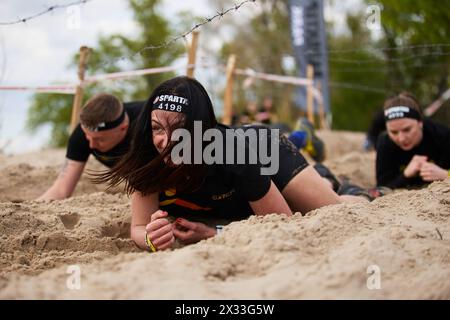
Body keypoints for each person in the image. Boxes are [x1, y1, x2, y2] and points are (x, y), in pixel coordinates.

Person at [97, 76, 343, 252]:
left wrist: (215, 233)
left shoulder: (235, 155)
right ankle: (322, 176)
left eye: (180, 129)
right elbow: (139, 227)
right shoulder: (147, 154)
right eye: (157, 128)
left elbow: (282, 224)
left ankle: (352, 190)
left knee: (332, 209)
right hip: (237, 197)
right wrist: (150, 238)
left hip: (266, 151)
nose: (166, 141)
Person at [37, 93, 145, 200]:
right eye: (88, 137)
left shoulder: (149, 122)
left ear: (123, 128)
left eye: (100, 139)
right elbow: (61, 189)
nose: (92, 145)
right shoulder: (81, 135)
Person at [376, 94, 450, 189]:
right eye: (394, 132)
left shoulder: (443, 136)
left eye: (407, 130)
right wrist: (405, 175)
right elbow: (382, 187)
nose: (401, 138)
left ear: (420, 123)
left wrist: (445, 175)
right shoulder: (384, 143)